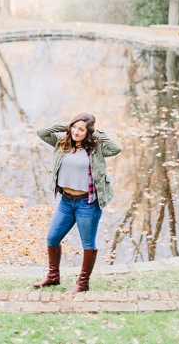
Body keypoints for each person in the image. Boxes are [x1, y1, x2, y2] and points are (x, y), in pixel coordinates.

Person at [32, 113, 121, 294]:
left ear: (88, 131)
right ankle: (53, 276)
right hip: (66, 202)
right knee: (52, 238)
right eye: (74, 128)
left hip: (87, 203)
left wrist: (95, 133)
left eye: (81, 129)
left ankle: (83, 283)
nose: (76, 132)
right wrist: (64, 125)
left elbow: (116, 148)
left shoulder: (96, 148)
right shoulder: (61, 142)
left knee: (87, 243)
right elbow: (41, 132)